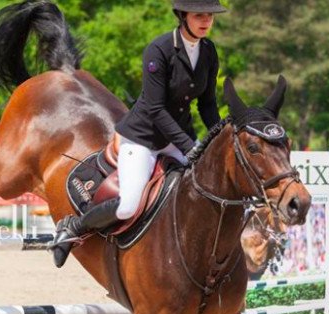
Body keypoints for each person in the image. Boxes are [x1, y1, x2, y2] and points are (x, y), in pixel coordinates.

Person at [50, 0, 227, 268]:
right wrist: (189, 146)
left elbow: (208, 104)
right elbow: (155, 108)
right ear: (182, 16)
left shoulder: (208, 51)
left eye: (210, 16)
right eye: (199, 15)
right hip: (142, 138)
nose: (206, 21)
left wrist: (221, 135)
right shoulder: (159, 50)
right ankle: (74, 226)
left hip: (178, 137)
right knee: (128, 206)